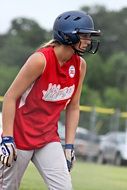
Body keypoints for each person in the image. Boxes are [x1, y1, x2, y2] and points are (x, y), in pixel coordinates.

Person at [0, 10, 100, 190]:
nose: (88, 41)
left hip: (47, 137)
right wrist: (7, 139)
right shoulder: (40, 60)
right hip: (19, 135)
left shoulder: (80, 65)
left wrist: (69, 145)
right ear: (68, 34)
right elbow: (10, 97)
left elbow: (73, 107)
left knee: (64, 188)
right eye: (84, 35)